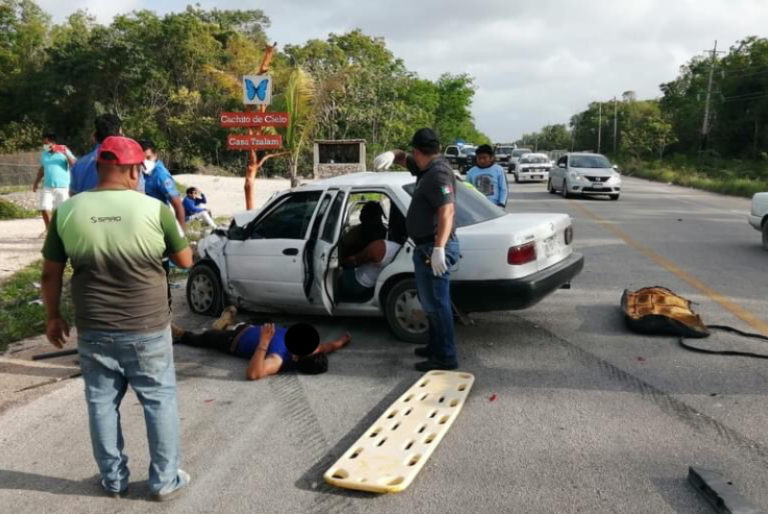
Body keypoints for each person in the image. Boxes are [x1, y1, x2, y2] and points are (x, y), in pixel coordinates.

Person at [41, 135, 193, 501]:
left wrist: (53, 318)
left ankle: (113, 480)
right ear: (132, 170)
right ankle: (163, 480)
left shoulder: (67, 212)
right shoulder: (154, 210)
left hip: (93, 328)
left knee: (101, 403)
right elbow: (185, 261)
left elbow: (50, 274)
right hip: (147, 328)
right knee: (158, 401)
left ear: (98, 167)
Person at [390, 128, 460, 371]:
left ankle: (445, 357)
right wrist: (393, 155)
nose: (411, 157)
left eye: (412, 153)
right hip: (426, 247)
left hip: (434, 247)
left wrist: (439, 248)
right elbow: (404, 159)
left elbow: (447, 211)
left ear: (418, 151)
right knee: (430, 304)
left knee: (438, 305)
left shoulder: (438, 174)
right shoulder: (426, 167)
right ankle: (435, 348)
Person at [172, 308, 350, 380]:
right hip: (253, 327)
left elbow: (254, 373)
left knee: (205, 338)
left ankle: (180, 335)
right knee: (262, 317)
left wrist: (264, 343)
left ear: (296, 357)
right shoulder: (312, 350)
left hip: (233, 340)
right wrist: (343, 340)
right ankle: (226, 323)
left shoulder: (277, 359)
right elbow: (329, 347)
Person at [70, 114, 145, 195]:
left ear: (94, 137)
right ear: (121, 135)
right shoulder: (131, 163)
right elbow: (140, 195)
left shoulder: (79, 165)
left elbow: (74, 196)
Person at [32, 133, 76, 230]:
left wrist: (65, 152)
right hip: (47, 186)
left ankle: (64, 231)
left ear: (53, 143)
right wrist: (36, 182)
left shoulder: (64, 151)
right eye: (43, 144)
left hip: (63, 187)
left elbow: (74, 164)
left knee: (62, 212)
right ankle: (50, 231)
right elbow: (43, 168)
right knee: (44, 208)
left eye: (47, 143)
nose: (45, 146)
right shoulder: (44, 154)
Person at [139, 140, 186, 230]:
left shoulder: (161, 175)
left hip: (158, 222)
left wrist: (181, 234)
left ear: (155, 155)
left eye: (148, 158)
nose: (145, 163)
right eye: (142, 159)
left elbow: (178, 205)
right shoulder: (143, 172)